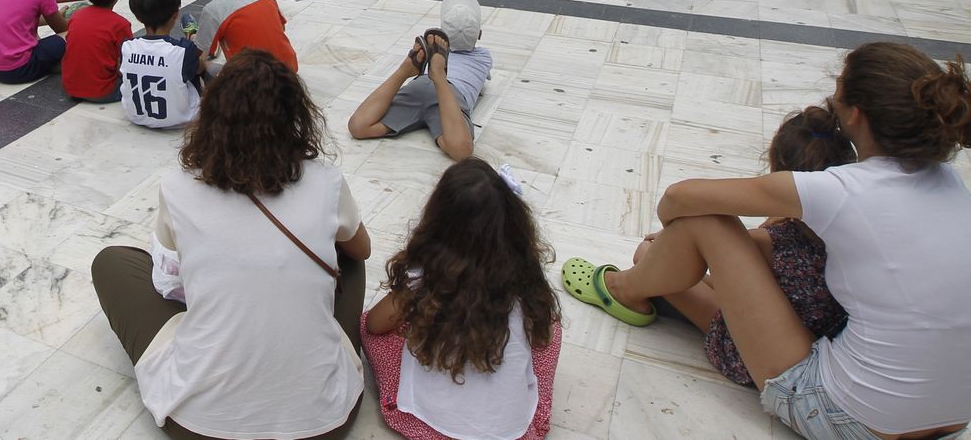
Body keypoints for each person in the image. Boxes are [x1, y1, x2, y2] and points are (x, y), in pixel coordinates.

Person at [560, 41, 971, 440]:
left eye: (839, 84)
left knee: (705, 224)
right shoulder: (949, 181)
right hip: (954, 418)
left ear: (857, 115)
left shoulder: (841, 190)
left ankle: (621, 287)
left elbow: (679, 198)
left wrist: (672, 234)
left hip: (856, 421)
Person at [92, 50, 371, 440]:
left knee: (113, 262)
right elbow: (363, 249)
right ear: (295, 116)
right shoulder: (326, 181)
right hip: (323, 425)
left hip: (199, 426)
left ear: (213, 117)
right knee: (351, 254)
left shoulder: (178, 187)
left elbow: (168, 282)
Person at [643, 103, 853, 388]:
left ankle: (623, 289)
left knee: (647, 254)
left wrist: (674, 240)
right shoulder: (849, 231)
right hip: (820, 331)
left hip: (753, 347)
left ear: (776, 167)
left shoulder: (772, 241)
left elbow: (721, 265)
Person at [360, 159, 562, 440]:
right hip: (513, 432)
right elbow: (542, 338)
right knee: (548, 325)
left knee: (370, 327)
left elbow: (374, 325)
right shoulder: (526, 278)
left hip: (426, 425)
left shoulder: (425, 277)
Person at [347, 0, 491, 162]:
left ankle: (404, 71)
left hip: (421, 84)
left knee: (359, 127)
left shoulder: (435, 48)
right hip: (451, 94)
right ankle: (439, 75)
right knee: (461, 152)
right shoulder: (483, 57)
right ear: (479, 34)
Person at [119, 0, 204, 130]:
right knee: (203, 67)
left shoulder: (126, 47)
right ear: (175, 14)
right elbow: (200, 68)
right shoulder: (183, 51)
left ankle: (192, 37)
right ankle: (193, 36)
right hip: (182, 120)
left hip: (135, 117)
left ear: (137, 16)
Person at [61, 0, 134, 103]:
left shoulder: (76, 17)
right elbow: (127, 63)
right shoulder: (120, 25)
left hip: (71, 88)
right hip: (103, 91)